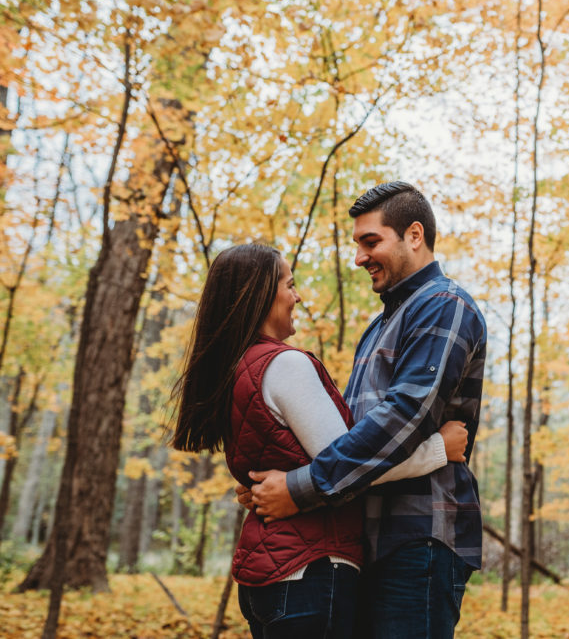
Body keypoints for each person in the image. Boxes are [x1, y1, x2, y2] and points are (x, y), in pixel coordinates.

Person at [171, 243, 468, 639]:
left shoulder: (238, 368)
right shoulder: (286, 364)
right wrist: (437, 450)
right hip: (308, 570)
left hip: (272, 569)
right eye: (289, 285)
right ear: (261, 293)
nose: (297, 296)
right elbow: (350, 465)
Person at [248, 182, 487, 639]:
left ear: (414, 235)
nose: (358, 258)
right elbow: (345, 433)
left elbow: (403, 417)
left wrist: (301, 487)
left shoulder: (444, 305)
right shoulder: (382, 324)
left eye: (370, 241)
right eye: (357, 245)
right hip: (368, 540)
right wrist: (277, 474)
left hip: (418, 537)